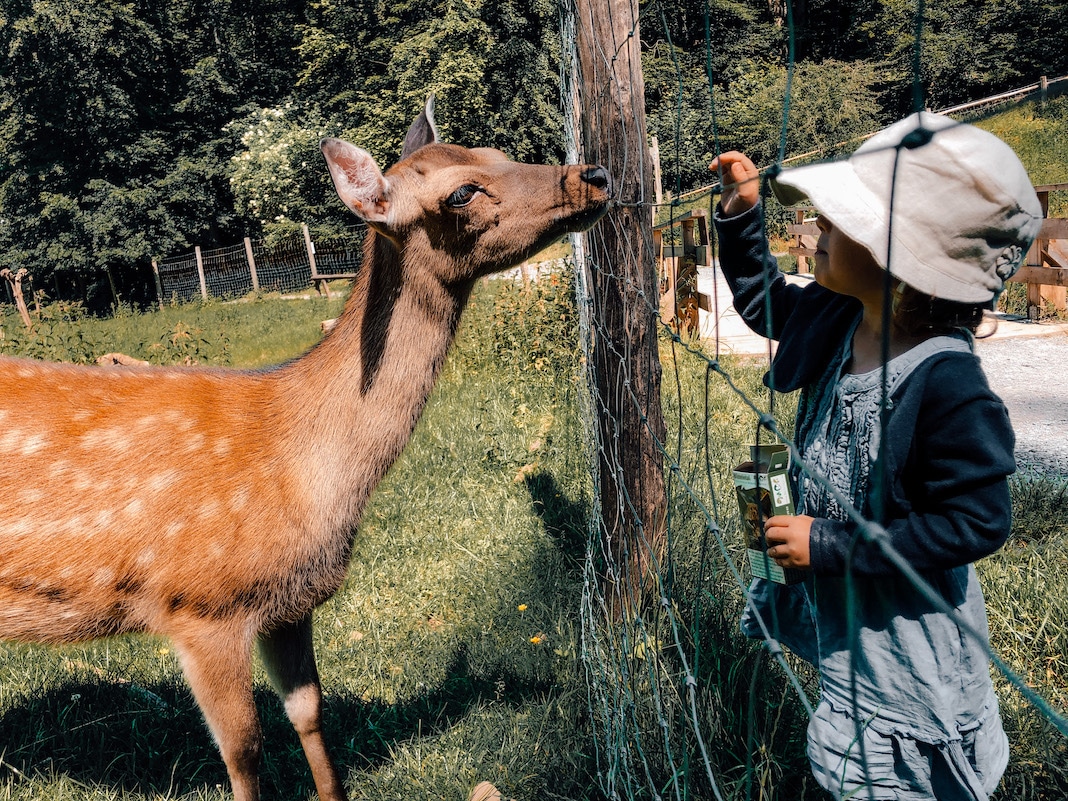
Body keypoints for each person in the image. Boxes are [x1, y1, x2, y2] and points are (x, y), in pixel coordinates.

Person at [710, 112, 1043, 800]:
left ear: (910, 261)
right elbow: (765, 301)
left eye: (840, 219)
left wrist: (829, 544)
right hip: (850, 629)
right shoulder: (839, 318)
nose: (817, 228)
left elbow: (977, 523)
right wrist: (742, 219)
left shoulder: (946, 383)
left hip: (908, 662)